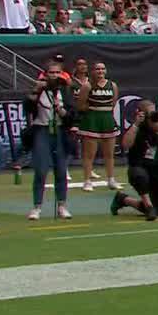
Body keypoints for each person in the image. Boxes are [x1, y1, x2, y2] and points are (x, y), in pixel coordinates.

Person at [111, 101, 158, 221]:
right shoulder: (137, 129)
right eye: (149, 114)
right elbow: (126, 144)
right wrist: (136, 124)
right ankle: (148, 206)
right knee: (139, 175)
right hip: (140, 167)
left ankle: (122, 199)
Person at [25, 60, 73, 220]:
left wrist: (62, 111)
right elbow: (28, 109)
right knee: (41, 170)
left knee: (61, 170)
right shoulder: (39, 90)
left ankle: (62, 205)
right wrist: (34, 92)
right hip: (42, 129)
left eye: (57, 72)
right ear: (45, 75)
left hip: (59, 131)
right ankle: (36, 207)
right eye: (51, 73)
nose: (55, 75)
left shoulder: (65, 91)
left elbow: (73, 116)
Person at [74, 61, 121, 191]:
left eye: (102, 69)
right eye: (97, 69)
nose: (100, 71)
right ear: (92, 71)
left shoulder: (113, 85)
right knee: (89, 153)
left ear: (105, 71)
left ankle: (111, 179)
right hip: (91, 120)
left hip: (107, 119)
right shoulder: (87, 86)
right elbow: (80, 105)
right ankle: (87, 180)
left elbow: (113, 103)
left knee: (109, 153)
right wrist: (95, 108)